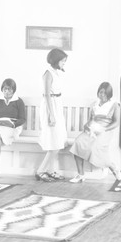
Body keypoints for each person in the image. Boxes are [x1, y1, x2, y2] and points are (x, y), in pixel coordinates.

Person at [69, 82, 121, 182]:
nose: (101, 95)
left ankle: (113, 168)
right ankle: (80, 174)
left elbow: (116, 123)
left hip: (105, 130)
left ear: (109, 94)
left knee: (95, 148)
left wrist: (104, 129)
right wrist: (87, 125)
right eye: (100, 92)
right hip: (93, 129)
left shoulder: (114, 105)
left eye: (104, 93)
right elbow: (91, 119)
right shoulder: (95, 104)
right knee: (78, 142)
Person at [36, 48, 68, 182]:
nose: (64, 64)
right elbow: (47, 95)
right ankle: (41, 171)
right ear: (56, 60)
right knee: (53, 141)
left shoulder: (57, 73)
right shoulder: (48, 74)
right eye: (63, 61)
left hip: (57, 105)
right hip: (50, 106)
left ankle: (50, 170)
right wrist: (51, 114)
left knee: (58, 141)